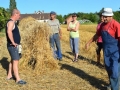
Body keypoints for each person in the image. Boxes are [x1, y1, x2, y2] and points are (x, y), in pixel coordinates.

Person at [85, 8, 120, 90]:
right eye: (103, 16)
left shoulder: (116, 25)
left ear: (111, 16)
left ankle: (115, 88)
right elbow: (97, 35)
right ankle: (111, 85)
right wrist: (88, 42)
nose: (103, 18)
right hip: (106, 51)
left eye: (105, 17)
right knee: (109, 69)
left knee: (115, 72)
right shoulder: (102, 25)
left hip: (116, 52)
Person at [5, 9, 26, 84]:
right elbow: (9, 31)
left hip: (13, 45)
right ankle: (18, 79)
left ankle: (9, 75)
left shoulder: (12, 22)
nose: (19, 16)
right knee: (15, 61)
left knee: (12, 60)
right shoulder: (11, 22)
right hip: (12, 46)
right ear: (15, 14)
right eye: (19, 15)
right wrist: (13, 42)